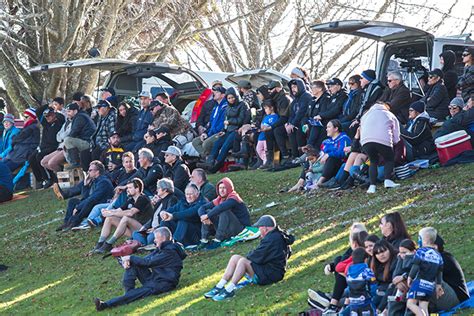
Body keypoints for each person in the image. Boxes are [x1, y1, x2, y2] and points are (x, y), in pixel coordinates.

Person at [203, 215, 294, 301]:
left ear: (265, 228)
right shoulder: (277, 235)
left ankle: (229, 290)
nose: (258, 230)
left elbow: (257, 255)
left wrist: (246, 260)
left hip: (272, 275)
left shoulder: (272, 239)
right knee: (235, 258)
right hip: (270, 271)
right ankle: (219, 286)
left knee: (243, 261)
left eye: (259, 228)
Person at [94, 227, 186, 310]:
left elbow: (148, 263)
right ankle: (128, 294)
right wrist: (127, 260)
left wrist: (130, 257)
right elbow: (144, 260)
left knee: (138, 292)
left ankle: (105, 305)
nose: (154, 240)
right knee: (134, 263)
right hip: (155, 279)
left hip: (163, 284)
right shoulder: (163, 248)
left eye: (156, 238)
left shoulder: (169, 252)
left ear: (163, 238)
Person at [308, 223, 367, 312]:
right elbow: (343, 261)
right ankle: (330, 300)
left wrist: (338, 268)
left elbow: (348, 268)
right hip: (349, 285)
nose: (356, 238)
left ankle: (331, 302)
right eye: (354, 236)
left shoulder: (364, 251)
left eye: (358, 235)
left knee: (344, 294)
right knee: (338, 260)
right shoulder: (352, 251)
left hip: (359, 287)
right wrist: (331, 266)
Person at [90, 178, 154, 254]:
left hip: (144, 230)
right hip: (133, 230)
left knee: (126, 218)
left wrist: (111, 213)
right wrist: (107, 212)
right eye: (127, 188)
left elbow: (130, 213)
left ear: (137, 189)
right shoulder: (131, 199)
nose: (127, 190)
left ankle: (108, 244)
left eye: (130, 188)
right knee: (110, 218)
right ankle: (100, 243)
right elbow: (119, 210)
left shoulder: (143, 198)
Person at [56, 160, 114, 231]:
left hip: (99, 206)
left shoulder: (103, 182)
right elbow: (85, 197)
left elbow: (93, 198)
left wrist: (78, 207)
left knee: (89, 202)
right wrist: (85, 186)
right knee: (73, 201)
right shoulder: (94, 180)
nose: (88, 172)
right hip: (91, 203)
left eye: (90, 170)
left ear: (97, 172)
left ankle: (74, 222)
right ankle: (67, 222)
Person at [198, 177, 250, 249]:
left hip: (240, 230)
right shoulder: (219, 199)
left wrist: (207, 216)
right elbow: (202, 208)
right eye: (220, 188)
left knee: (224, 211)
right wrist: (203, 216)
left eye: (224, 188)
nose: (221, 190)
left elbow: (221, 207)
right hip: (228, 229)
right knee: (207, 211)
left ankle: (218, 240)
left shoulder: (234, 198)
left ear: (229, 188)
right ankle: (204, 240)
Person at [360, 102, 400, 194]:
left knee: (373, 161)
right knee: (389, 159)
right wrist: (394, 142)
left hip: (366, 141)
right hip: (383, 140)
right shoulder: (389, 114)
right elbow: (396, 133)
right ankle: (388, 180)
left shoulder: (366, 115)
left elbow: (362, 128)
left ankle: (372, 186)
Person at [406, 227, 444, 316]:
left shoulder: (421, 252)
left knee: (410, 304)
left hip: (420, 282)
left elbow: (415, 266)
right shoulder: (438, 255)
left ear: (424, 239)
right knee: (423, 307)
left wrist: (410, 277)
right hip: (430, 285)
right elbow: (439, 272)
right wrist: (439, 284)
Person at [133, 178, 180, 246]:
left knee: (150, 238)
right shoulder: (160, 201)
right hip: (151, 229)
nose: (156, 190)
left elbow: (166, 218)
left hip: (161, 229)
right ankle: (145, 244)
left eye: (158, 188)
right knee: (135, 233)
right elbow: (153, 217)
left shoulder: (172, 199)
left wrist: (155, 228)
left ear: (165, 189)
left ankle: (144, 244)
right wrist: (145, 227)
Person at [28, 106, 65, 188]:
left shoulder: (59, 121)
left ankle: (49, 179)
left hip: (54, 147)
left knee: (40, 156)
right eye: (46, 116)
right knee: (31, 158)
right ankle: (40, 180)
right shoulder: (46, 123)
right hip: (44, 146)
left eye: (49, 116)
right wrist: (48, 106)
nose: (47, 118)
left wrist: (53, 110)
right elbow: (38, 112)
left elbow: (61, 116)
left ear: (53, 115)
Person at [80, 99, 117, 171]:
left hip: (105, 144)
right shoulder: (101, 117)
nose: (98, 110)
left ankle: (97, 174)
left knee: (95, 154)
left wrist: (105, 146)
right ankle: (88, 174)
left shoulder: (112, 116)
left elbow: (113, 134)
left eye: (99, 108)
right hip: (96, 143)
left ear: (106, 108)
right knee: (84, 154)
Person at [192, 86, 228, 158]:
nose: (214, 93)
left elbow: (222, 125)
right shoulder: (215, 107)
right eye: (214, 92)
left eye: (217, 92)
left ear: (223, 95)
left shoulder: (226, 106)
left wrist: (210, 134)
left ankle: (211, 160)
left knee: (206, 144)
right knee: (195, 142)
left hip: (220, 133)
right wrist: (205, 133)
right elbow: (210, 123)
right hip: (211, 132)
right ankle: (208, 158)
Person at [265, 80, 292, 165]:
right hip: (281, 122)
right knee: (269, 132)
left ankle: (285, 156)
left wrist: (272, 126)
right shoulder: (276, 99)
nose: (269, 91)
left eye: (271, 89)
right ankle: (273, 159)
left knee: (276, 131)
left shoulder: (284, 99)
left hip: (289, 122)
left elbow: (284, 117)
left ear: (277, 88)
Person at [63, 103, 96, 168]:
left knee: (67, 140)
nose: (67, 113)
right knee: (67, 141)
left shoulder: (80, 117)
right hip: (85, 141)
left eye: (69, 111)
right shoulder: (79, 116)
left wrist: (65, 143)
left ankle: (75, 163)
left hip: (89, 142)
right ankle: (73, 163)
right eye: (67, 111)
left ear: (75, 111)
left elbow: (74, 132)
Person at [302, 80, 332, 151]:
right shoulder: (312, 100)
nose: (311, 89)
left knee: (315, 127)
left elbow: (323, 114)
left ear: (320, 89)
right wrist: (305, 123)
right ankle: (304, 154)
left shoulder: (326, 98)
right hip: (311, 124)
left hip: (322, 125)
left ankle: (309, 149)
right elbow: (306, 115)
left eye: (313, 87)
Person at [345, 247, 376, 316]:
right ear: (366, 259)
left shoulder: (349, 271)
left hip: (353, 301)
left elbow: (348, 286)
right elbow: (373, 286)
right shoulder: (367, 271)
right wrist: (373, 295)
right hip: (365, 300)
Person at [286, 78, 312, 159]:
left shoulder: (306, 96)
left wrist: (293, 124)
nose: (293, 89)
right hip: (297, 122)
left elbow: (302, 112)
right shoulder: (295, 100)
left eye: (295, 87)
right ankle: (295, 156)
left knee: (299, 132)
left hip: (306, 122)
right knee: (290, 131)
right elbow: (292, 114)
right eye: (292, 87)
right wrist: (289, 123)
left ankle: (302, 156)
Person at [370, 240, 397, 313]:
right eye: (378, 253)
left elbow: (393, 285)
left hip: (391, 292)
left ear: (389, 249)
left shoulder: (396, 260)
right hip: (379, 290)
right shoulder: (377, 264)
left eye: (383, 251)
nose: (381, 255)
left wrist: (380, 309)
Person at [256, 100, 279, 169]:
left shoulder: (275, 116)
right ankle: (265, 160)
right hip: (261, 136)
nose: (265, 110)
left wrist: (267, 127)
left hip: (267, 137)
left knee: (267, 149)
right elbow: (262, 124)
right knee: (259, 149)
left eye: (266, 108)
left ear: (271, 108)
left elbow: (274, 125)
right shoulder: (266, 117)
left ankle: (269, 162)